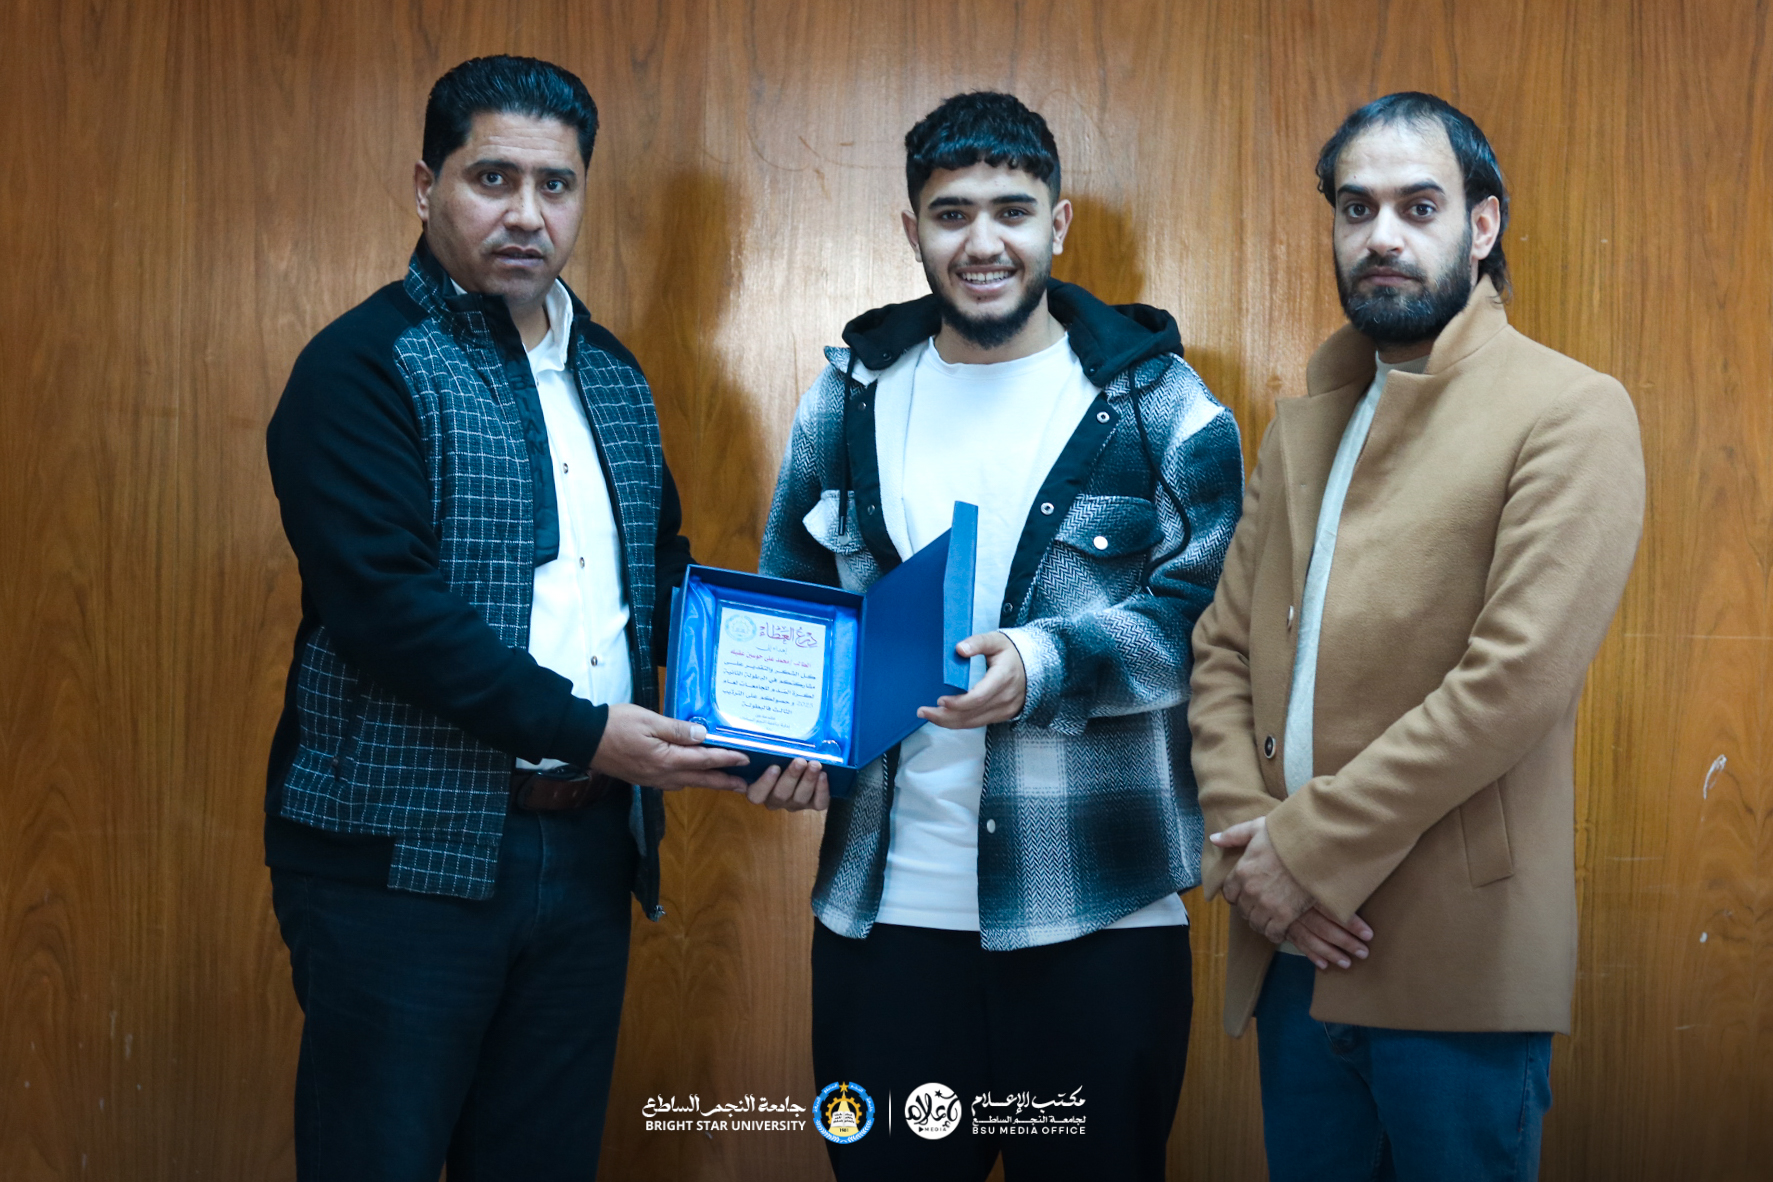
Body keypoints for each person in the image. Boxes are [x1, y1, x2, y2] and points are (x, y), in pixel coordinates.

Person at [262, 55, 747, 1182]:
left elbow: (658, 579)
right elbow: (391, 614)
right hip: (398, 867)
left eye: (555, 184)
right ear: (425, 186)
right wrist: (590, 731)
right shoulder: (362, 368)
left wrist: (767, 729)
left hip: (585, 854)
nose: (528, 214)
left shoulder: (613, 375)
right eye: (493, 178)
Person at [752, 91, 1244, 1181]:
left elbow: (1204, 622)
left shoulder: (1163, 404)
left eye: (1012, 211)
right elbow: (791, 605)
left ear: (1057, 223)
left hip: (1097, 918)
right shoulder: (848, 396)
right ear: (912, 229)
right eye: (952, 213)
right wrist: (780, 743)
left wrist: (1045, 664)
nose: (983, 243)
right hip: (884, 924)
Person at [1189, 92, 1645, 1182]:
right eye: (1356, 208)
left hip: (1454, 971)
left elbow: (1512, 684)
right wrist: (1250, 853)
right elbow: (1221, 651)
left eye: (1418, 205)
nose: (1381, 234)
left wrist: (1300, 854)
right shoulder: (1306, 424)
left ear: (1481, 227)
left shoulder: (1570, 410)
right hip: (1291, 947)